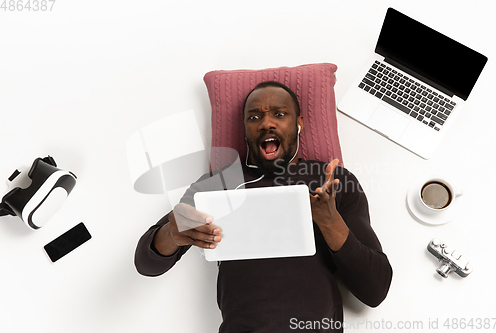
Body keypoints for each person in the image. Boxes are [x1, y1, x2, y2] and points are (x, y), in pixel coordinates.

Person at [135, 81, 393, 332]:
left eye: (279, 114)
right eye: (254, 117)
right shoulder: (218, 185)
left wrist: (329, 221)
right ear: (245, 130)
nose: (266, 123)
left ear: (299, 123)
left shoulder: (332, 180)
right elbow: (146, 264)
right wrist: (172, 233)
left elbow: (375, 290)